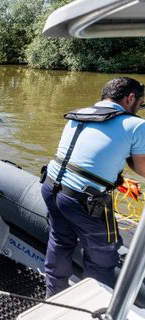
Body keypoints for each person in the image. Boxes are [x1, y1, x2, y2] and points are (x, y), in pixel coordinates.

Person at [41, 77, 145, 297]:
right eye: (140, 102)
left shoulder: (79, 114)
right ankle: (95, 305)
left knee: (60, 241)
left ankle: (53, 296)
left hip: (52, 186)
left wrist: (121, 182)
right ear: (130, 98)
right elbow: (142, 167)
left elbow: (87, 160)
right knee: (103, 254)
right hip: (83, 201)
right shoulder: (136, 125)